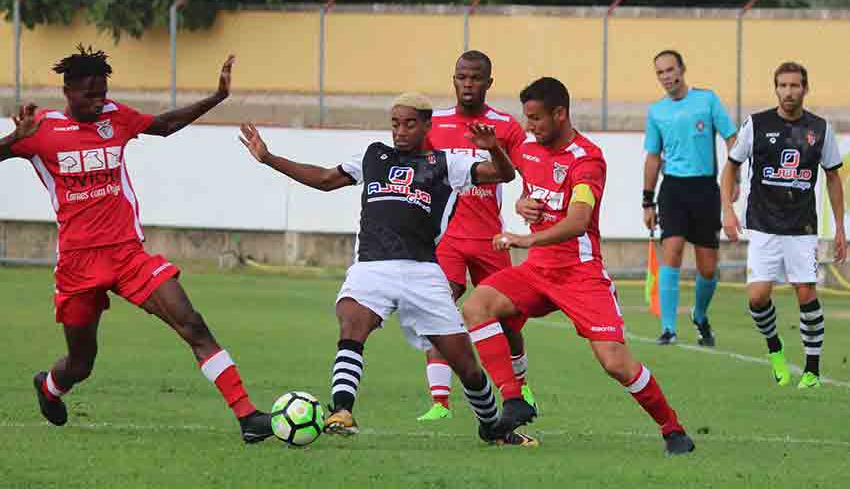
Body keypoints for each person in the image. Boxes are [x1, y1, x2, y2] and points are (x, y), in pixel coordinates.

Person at [0, 45, 273, 443]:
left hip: (128, 253)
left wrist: (216, 98)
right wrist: (12, 140)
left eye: (103, 92)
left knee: (192, 323)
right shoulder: (39, 130)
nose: (99, 101)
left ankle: (248, 416)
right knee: (81, 362)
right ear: (68, 91)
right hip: (78, 263)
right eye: (90, 94)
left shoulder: (115, 117)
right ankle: (50, 387)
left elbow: (163, 125)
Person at [238, 92, 537, 447]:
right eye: (395, 123)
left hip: (422, 272)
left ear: (428, 125)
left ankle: (492, 427)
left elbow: (502, 175)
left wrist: (494, 148)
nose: (400, 131)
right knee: (352, 321)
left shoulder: (447, 163)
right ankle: (342, 410)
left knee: (466, 366)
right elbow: (322, 179)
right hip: (372, 267)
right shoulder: (372, 157)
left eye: (410, 123)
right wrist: (268, 158)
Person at [463, 77, 696, 455]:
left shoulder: (587, 159)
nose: (530, 126)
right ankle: (515, 399)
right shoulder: (530, 149)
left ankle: (673, 430)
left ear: (560, 113)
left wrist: (526, 239)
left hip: (580, 273)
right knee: (476, 306)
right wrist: (513, 186)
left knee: (615, 363)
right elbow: (521, 181)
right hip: (538, 271)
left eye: (536, 118)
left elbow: (577, 220)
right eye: (527, 118)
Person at [417, 50, 535, 421]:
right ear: (454, 80)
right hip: (448, 237)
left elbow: (527, 172)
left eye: (475, 78)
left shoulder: (507, 127)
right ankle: (440, 401)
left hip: (490, 238)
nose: (468, 84)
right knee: (438, 307)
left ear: (488, 83)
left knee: (507, 319)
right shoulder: (433, 124)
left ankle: (521, 384)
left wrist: (527, 202)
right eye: (461, 77)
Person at [721, 62, 846, 389]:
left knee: (805, 292)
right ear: (775, 88)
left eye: (795, 86)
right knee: (758, 297)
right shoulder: (757, 124)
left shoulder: (820, 129)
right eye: (783, 86)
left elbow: (833, 177)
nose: (789, 92)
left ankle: (812, 371)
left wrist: (840, 229)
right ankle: (775, 349)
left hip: (802, 227)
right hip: (762, 224)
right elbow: (731, 167)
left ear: (805, 88)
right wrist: (728, 211)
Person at [642, 50, 738, 346]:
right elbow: (653, 157)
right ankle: (669, 328)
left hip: (705, 190)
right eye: (660, 72)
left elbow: (732, 138)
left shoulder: (707, 101)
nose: (666, 76)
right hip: (672, 189)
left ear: (682, 69)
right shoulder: (656, 111)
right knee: (671, 251)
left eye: (671, 70)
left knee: (707, 267)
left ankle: (699, 313)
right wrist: (647, 200)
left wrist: (736, 178)